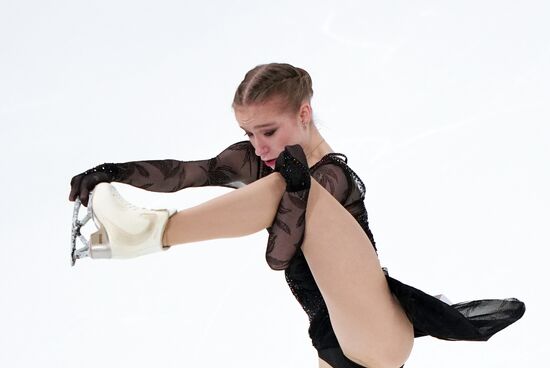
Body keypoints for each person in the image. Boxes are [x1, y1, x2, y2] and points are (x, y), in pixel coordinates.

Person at [69, 63, 525, 368]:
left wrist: (290, 181)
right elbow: (190, 172)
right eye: (248, 133)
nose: (259, 145)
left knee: (289, 187)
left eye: (269, 130)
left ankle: (145, 233)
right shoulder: (264, 163)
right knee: (282, 182)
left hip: (375, 331)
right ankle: (139, 233)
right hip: (333, 342)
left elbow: (279, 254)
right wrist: (113, 172)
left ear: (304, 113)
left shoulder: (333, 179)